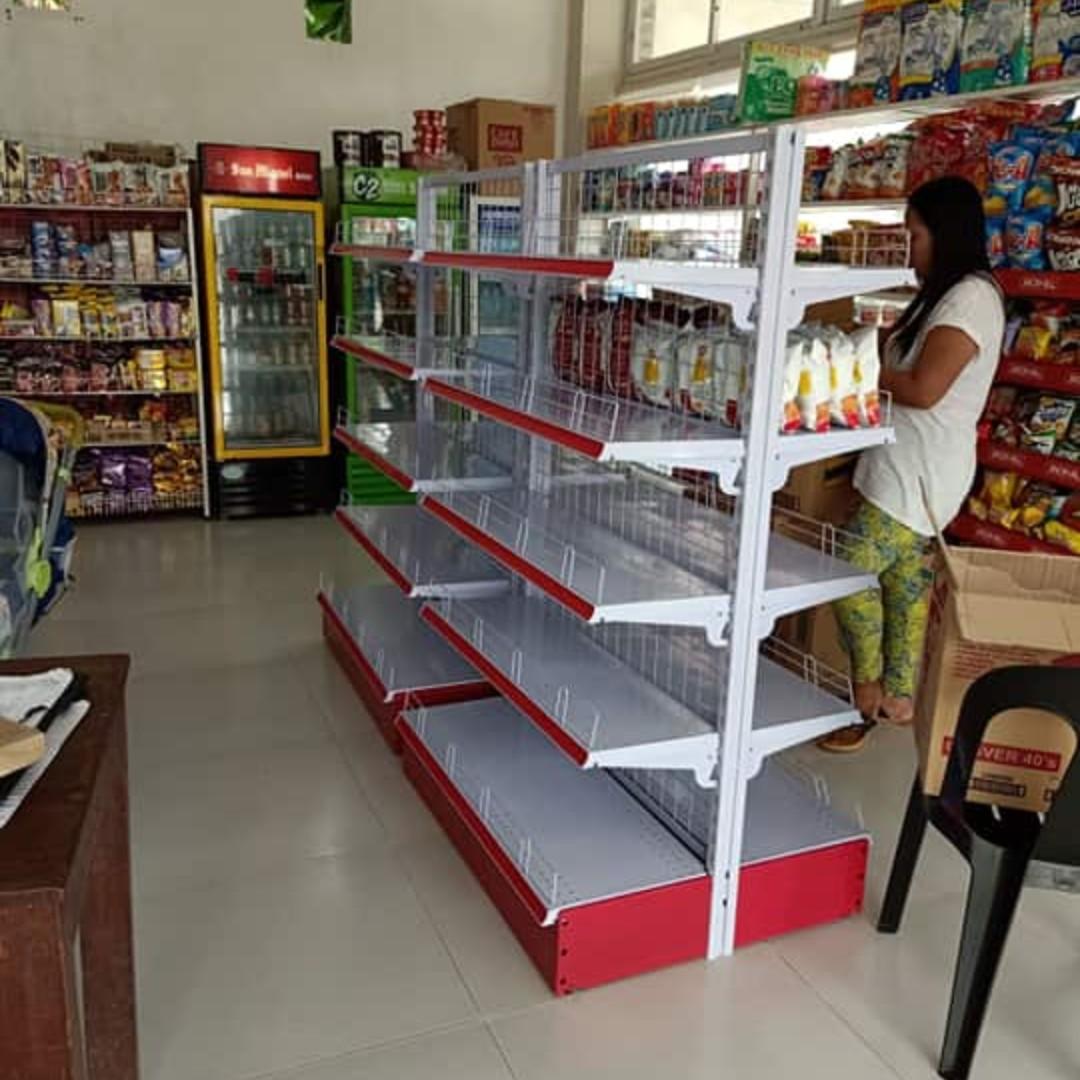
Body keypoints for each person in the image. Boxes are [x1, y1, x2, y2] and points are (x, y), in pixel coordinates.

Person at [819, 176, 1005, 754]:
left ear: (944, 234)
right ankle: (895, 703)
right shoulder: (941, 295)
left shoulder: (970, 299)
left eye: (916, 233)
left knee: (846, 570)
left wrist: (861, 375)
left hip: (918, 477)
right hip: (904, 470)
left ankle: (866, 692)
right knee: (904, 584)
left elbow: (924, 389)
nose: (910, 245)